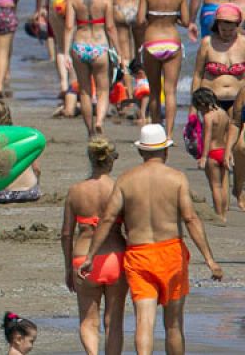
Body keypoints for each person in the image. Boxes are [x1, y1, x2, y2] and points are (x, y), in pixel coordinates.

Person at [80, 125, 223, 355]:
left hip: (139, 256)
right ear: (165, 152)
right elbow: (190, 218)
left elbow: (107, 219)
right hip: (171, 254)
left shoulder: (126, 180)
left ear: (141, 152)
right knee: (174, 325)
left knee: (144, 323)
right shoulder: (176, 178)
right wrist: (210, 260)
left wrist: (90, 256)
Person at [61, 136, 126, 355]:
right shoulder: (119, 189)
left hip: (83, 259)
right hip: (115, 258)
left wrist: (69, 268)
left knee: (88, 321)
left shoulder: (76, 190)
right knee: (113, 322)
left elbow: (66, 233)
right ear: (111, 160)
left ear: (90, 158)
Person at [138, 0, 189, 142]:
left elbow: (139, 20)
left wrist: (155, 18)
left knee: (154, 90)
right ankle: (168, 134)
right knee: (170, 91)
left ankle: (156, 132)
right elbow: (185, 20)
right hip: (172, 41)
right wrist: (170, 18)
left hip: (152, 41)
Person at [63, 0, 115, 137]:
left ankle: (90, 130)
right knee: (103, 89)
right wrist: (118, 51)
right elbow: (110, 27)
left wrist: (65, 53)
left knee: (84, 90)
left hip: (80, 45)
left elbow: (69, 27)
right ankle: (99, 120)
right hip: (100, 46)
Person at [193, 88, 231, 222]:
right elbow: (228, 135)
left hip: (213, 153)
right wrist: (228, 153)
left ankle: (219, 215)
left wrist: (203, 157)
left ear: (202, 103)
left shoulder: (208, 117)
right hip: (224, 151)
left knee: (215, 185)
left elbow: (207, 137)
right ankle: (224, 213)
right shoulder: (224, 113)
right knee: (223, 184)